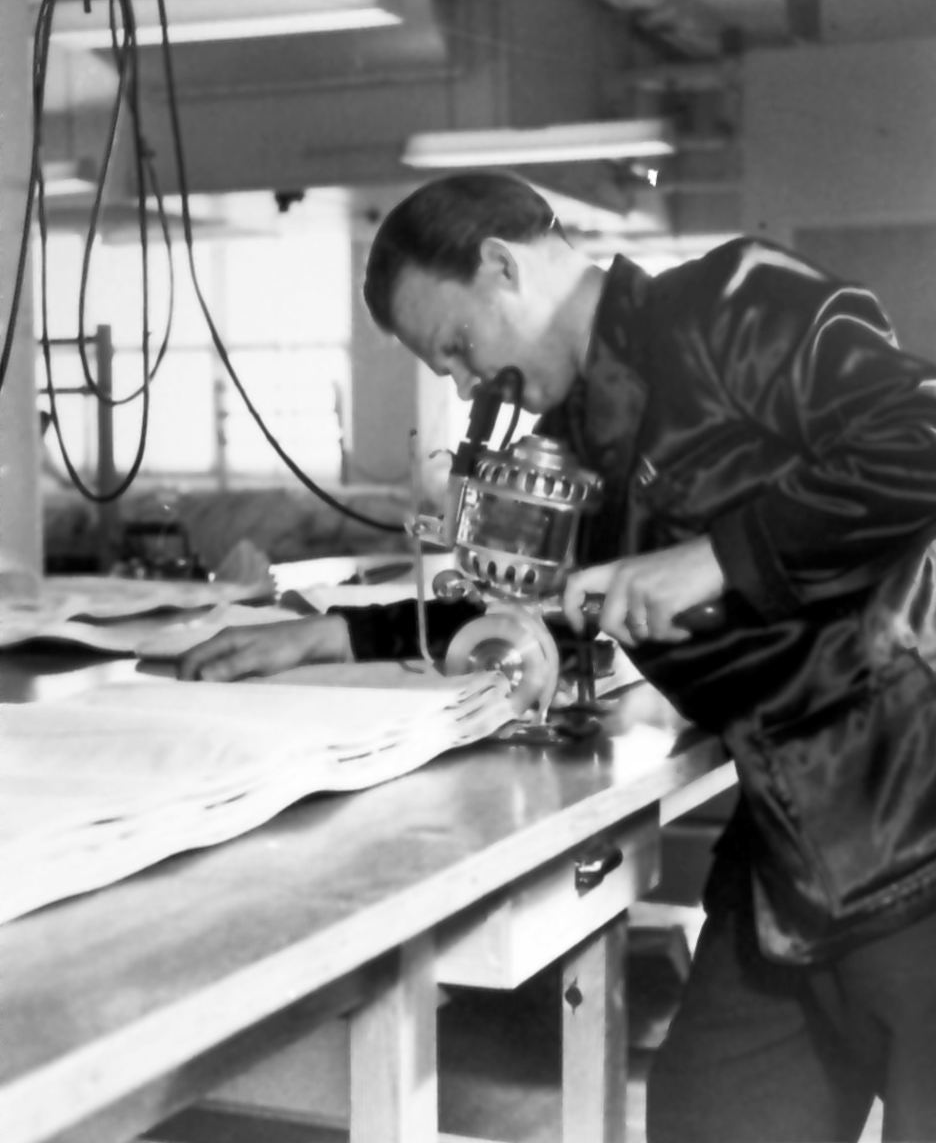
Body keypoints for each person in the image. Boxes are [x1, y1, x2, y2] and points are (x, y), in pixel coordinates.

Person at [179, 172, 936, 1142]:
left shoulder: (729, 304)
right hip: (791, 850)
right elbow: (541, 601)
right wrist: (332, 634)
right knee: (708, 1118)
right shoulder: (572, 445)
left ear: (502, 266)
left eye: (458, 346)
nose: (462, 384)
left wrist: (715, 559)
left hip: (913, 814)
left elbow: (920, 432)